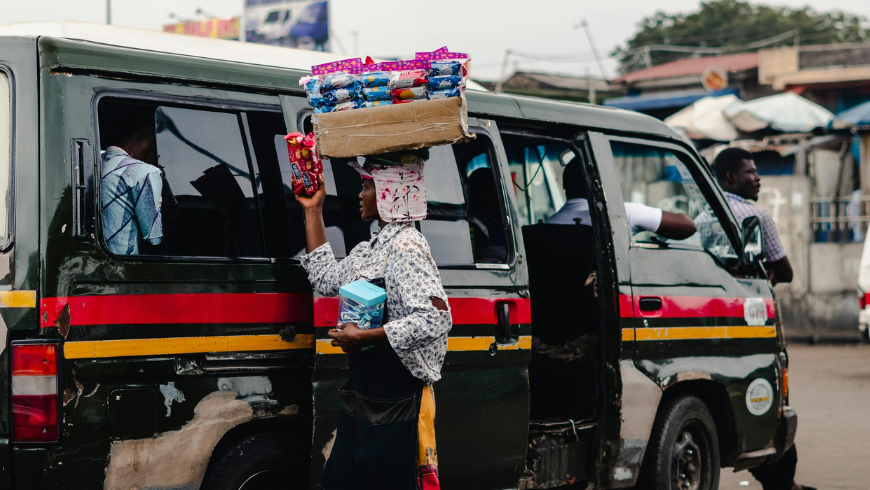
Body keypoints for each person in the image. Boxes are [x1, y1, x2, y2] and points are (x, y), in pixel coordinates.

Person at [297, 151, 451, 490]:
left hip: (395, 400)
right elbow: (324, 279)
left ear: (388, 194)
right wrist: (313, 209)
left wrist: (366, 337)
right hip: (364, 395)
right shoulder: (370, 248)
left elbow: (436, 319)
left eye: (367, 186)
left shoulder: (408, 246)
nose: (360, 194)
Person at [701, 147, 793, 285]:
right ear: (731, 176)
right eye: (751, 172)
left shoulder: (701, 219)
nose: (758, 177)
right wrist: (768, 268)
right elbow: (786, 273)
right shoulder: (756, 216)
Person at [548, 157, 697, 240]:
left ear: (565, 185)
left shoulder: (549, 225)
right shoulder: (621, 213)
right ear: (601, 185)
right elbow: (688, 226)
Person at [100, 109, 164, 255]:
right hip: (125, 269)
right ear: (154, 145)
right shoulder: (144, 172)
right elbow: (154, 240)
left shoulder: (96, 166)